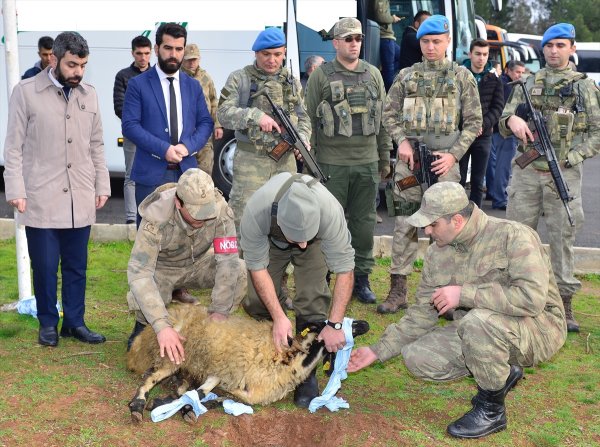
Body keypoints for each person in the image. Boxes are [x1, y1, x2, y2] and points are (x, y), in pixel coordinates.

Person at [348, 182, 567, 439]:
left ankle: (491, 409)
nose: (427, 231)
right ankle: (500, 372)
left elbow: (532, 299)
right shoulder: (436, 254)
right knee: (417, 357)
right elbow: (422, 313)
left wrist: (463, 294)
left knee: (477, 323)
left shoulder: (513, 236)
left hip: (539, 326)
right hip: (485, 328)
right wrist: (377, 350)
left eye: (433, 224)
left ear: (457, 221)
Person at [4, 32, 111, 346]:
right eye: (72, 65)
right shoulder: (25, 92)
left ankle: (74, 323)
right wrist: (16, 189)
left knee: (77, 266)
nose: (78, 72)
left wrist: (102, 184)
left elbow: (96, 145)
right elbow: (13, 147)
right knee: (46, 267)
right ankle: (48, 323)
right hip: (40, 197)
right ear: (54, 59)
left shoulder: (89, 94)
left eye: (83, 65)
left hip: (80, 196)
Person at [499, 23, 600, 333]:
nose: (554, 51)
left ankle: (562, 304)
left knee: (562, 239)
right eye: (550, 46)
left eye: (561, 45)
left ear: (571, 49)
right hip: (527, 172)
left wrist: (570, 158)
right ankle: (514, 296)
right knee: (517, 236)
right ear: (542, 49)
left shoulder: (583, 86)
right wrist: (513, 119)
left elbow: (596, 133)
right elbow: (503, 121)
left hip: (563, 174)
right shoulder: (526, 85)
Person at [378, 15, 482, 314]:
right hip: (409, 164)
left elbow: (474, 122)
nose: (431, 47)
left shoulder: (462, 77)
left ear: (448, 41)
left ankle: (447, 293)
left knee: (450, 227)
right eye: (425, 41)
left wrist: (454, 155)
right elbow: (389, 115)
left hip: (444, 164)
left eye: (436, 41)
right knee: (403, 224)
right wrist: (403, 142)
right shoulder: (406, 76)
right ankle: (398, 290)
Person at [239, 172, 355, 408]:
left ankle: (305, 367)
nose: (301, 245)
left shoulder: (330, 211)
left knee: (313, 298)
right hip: (271, 241)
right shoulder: (256, 211)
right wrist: (279, 317)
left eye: (305, 238)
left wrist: (334, 325)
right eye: (297, 239)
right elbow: (258, 269)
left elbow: (345, 271)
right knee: (256, 302)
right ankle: (271, 350)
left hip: (318, 242)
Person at [305, 17, 392, 305]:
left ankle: (362, 279)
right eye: (348, 39)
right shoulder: (321, 76)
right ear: (336, 43)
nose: (354, 43)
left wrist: (384, 159)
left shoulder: (374, 75)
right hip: (331, 165)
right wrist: (311, 167)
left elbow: (382, 122)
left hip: (366, 163)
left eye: (358, 39)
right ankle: (326, 277)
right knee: (328, 224)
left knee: (364, 224)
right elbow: (310, 122)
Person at [126, 169, 247, 361]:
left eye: (206, 211)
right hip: (163, 270)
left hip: (199, 263)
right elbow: (139, 272)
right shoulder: (156, 216)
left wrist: (220, 311)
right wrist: (162, 326)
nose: (203, 218)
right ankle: (143, 326)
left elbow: (227, 260)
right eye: (195, 213)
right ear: (178, 202)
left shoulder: (220, 210)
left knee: (240, 269)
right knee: (146, 289)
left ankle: (210, 330)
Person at [217, 27, 310, 235]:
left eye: (277, 54)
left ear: (284, 52)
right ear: (256, 53)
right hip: (251, 160)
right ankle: (241, 267)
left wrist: (303, 138)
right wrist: (256, 116)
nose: (272, 60)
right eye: (266, 54)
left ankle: (277, 267)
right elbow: (223, 113)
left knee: (286, 219)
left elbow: (304, 117)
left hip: (285, 162)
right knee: (244, 219)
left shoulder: (292, 82)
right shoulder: (240, 79)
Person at [121, 22, 213, 228]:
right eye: (168, 48)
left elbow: (206, 122)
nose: (174, 54)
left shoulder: (193, 86)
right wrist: (164, 149)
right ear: (157, 49)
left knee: (187, 237)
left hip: (187, 173)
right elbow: (130, 125)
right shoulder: (138, 84)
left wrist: (188, 146)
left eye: (179, 49)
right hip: (151, 175)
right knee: (150, 238)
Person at [458, 38, 504, 207]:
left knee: (478, 181)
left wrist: (482, 125)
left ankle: (474, 217)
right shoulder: (459, 75)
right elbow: (454, 104)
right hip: (461, 134)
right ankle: (458, 213)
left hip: (483, 135)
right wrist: (467, 126)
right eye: (477, 54)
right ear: (470, 54)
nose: (481, 58)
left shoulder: (494, 78)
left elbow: (498, 108)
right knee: (459, 178)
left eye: (485, 54)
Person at [113, 35, 152, 224]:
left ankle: (150, 217)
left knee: (154, 174)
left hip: (155, 135)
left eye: (146, 53)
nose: (143, 57)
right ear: (132, 53)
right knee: (131, 175)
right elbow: (119, 107)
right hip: (133, 134)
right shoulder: (123, 76)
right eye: (139, 53)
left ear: (151, 52)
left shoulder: (158, 76)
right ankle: (130, 219)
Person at [485, 60, 525, 210]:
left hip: (494, 130)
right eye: (517, 72)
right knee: (504, 167)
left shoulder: (502, 83)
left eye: (522, 72)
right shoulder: (509, 87)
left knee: (494, 165)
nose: (520, 75)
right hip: (505, 132)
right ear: (508, 71)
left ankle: (493, 194)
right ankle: (500, 199)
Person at [181, 43, 223, 177]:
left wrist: (217, 125)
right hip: (184, 133)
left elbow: (214, 101)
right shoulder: (177, 77)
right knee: (184, 175)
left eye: (194, 59)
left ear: (199, 59)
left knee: (205, 172)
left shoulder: (206, 78)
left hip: (204, 132)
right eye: (188, 59)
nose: (191, 63)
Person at [367, 0, 402, 91]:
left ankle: (381, 79)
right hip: (385, 36)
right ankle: (387, 96)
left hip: (387, 37)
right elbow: (381, 17)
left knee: (402, 57)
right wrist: (393, 18)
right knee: (389, 70)